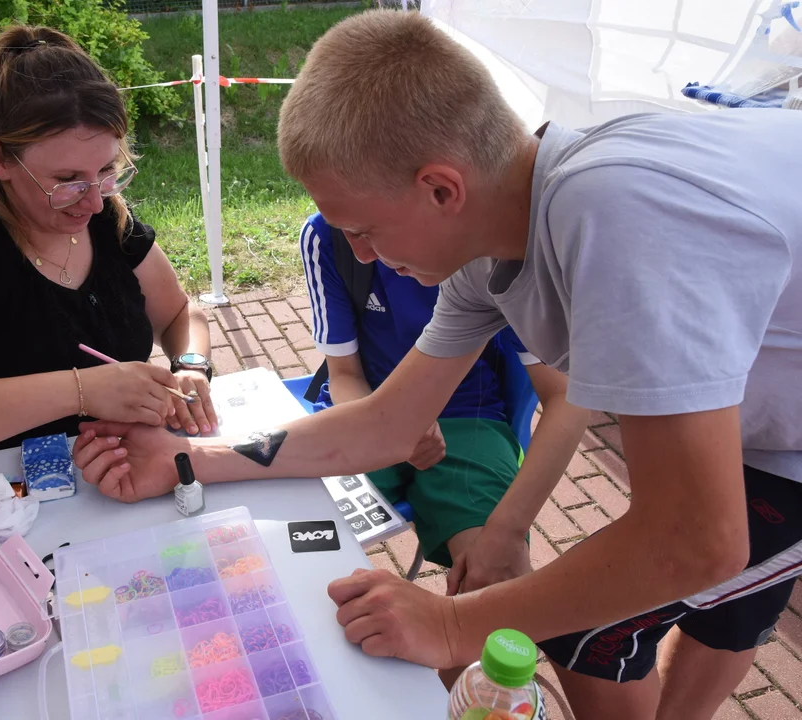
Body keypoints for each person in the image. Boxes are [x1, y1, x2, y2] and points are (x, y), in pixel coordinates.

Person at [71, 10, 802, 720]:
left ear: (441, 188)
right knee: (665, 605)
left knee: (593, 629)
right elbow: (388, 425)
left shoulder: (616, 214)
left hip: (785, 445)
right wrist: (190, 460)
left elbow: (693, 539)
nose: (358, 255)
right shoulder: (500, 231)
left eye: (361, 230)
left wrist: (454, 628)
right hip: (763, 413)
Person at [0, 25, 218, 460]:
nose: (93, 202)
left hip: (117, 478)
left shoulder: (106, 215)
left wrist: (190, 365)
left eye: (108, 171)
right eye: (67, 180)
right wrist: (81, 391)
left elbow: (181, 314)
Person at [301, 213, 587, 604]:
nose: (362, 253)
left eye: (367, 228)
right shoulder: (328, 236)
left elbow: (566, 396)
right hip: (365, 410)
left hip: (467, 415)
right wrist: (392, 424)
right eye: (347, 230)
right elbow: (343, 374)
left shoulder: (495, 245)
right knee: (301, 546)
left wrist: (505, 533)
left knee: (495, 583)